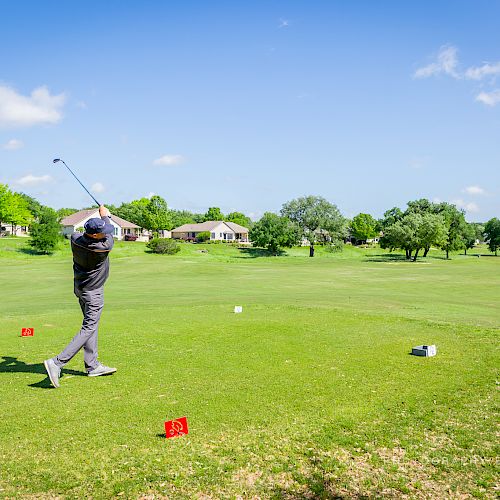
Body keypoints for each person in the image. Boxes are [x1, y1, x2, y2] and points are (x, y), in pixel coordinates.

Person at [44, 205, 116, 388]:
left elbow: (101, 232)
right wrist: (105, 216)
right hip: (93, 292)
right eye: (102, 233)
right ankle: (57, 362)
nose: (106, 233)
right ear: (94, 236)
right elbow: (108, 236)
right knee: (89, 327)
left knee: (91, 326)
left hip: (80, 289)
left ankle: (92, 366)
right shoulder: (102, 248)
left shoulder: (75, 239)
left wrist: (102, 218)